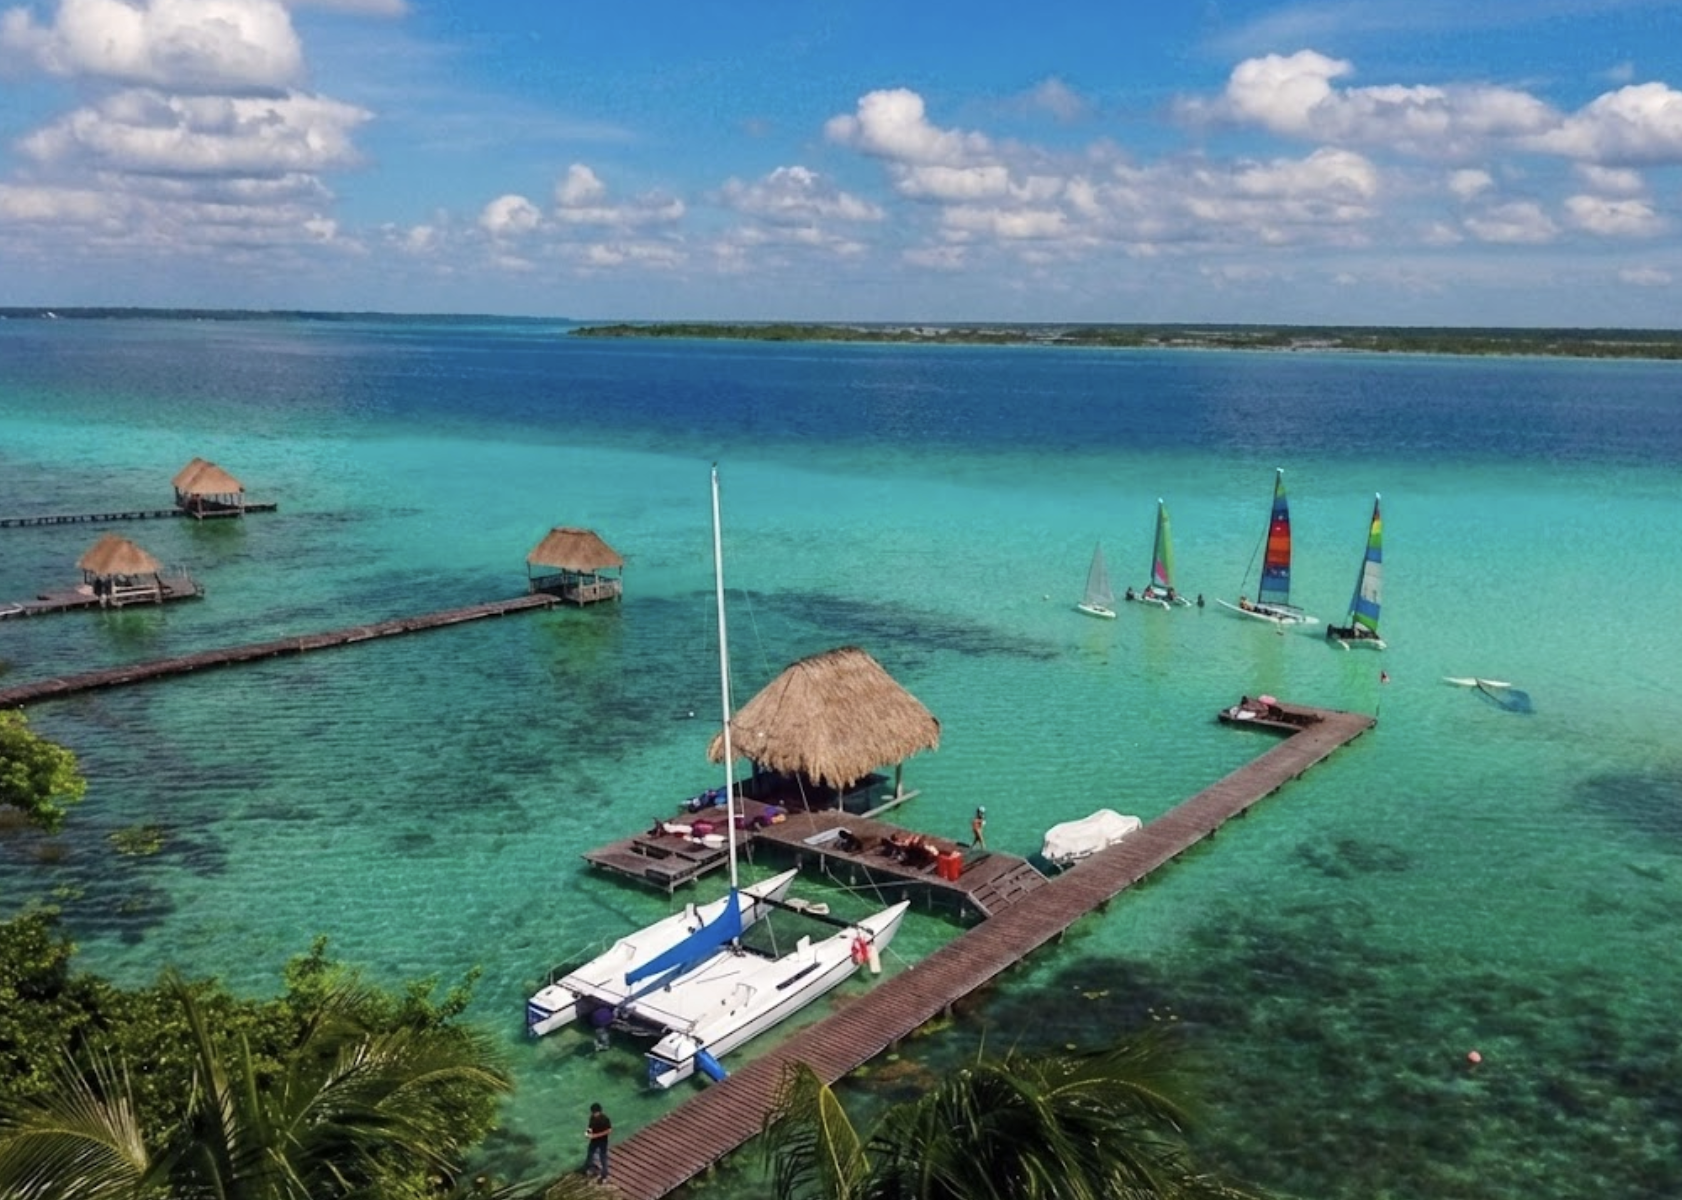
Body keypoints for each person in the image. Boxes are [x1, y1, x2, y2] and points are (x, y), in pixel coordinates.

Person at [583, 1102, 612, 1181]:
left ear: (599, 1112)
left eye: (595, 1113)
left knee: (603, 1157)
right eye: (593, 1113)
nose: (594, 1114)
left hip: (602, 1141)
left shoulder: (605, 1119)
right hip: (594, 1140)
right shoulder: (592, 1118)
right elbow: (590, 1127)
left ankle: (604, 1175)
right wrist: (587, 1132)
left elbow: (609, 1130)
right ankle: (590, 1168)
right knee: (590, 1153)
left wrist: (596, 1135)